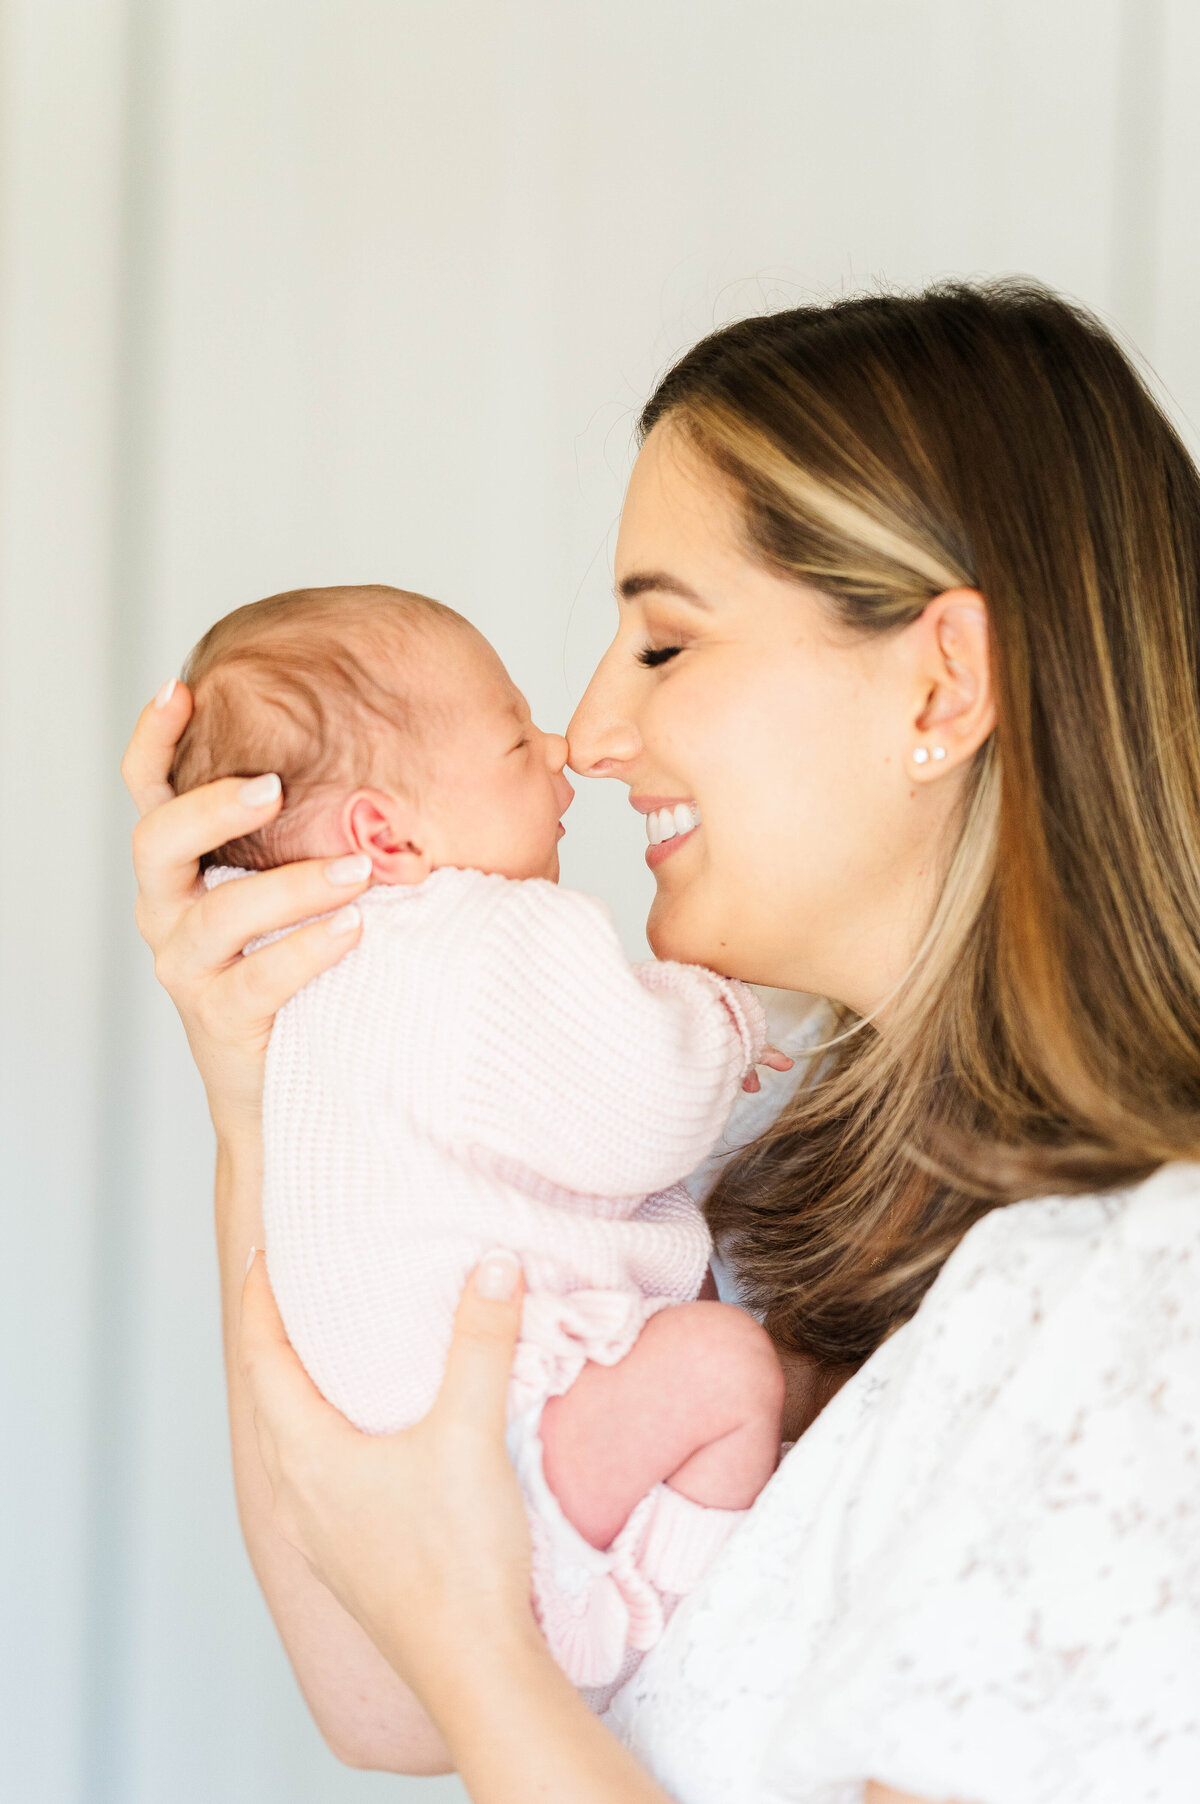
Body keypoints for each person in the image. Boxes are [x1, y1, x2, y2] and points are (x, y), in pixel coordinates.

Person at [122, 280, 1200, 1803]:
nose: (590, 733)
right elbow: (387, 1696)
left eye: (664, 646)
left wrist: (477, 1656)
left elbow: (461, 1662)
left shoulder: (1153, 1292)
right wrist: (259, 1091)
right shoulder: (761, 1205)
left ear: (946, 683)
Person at [170, 581, 789, 1693]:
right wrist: (729, 1013)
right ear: (383, 832)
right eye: (515, 738)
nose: (565, 747)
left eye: (662, 642)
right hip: (513, 1432)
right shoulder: (486, 935)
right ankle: (661, 1591)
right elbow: (642, 1103)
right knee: (724, 1368)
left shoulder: (314, 981)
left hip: (413, 1458)